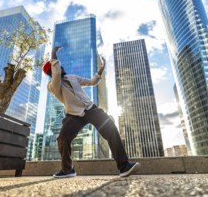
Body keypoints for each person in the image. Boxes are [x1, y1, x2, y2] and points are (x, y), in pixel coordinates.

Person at [43, 46, 140, 178]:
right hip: (73, 115)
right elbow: (56, 74)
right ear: (52, 72)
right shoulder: (52, 86)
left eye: (61, 66)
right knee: (63, 138)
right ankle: (68, 170)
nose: (61, 68)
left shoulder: (72, 77)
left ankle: (124, 166)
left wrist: (100, 71)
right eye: (57, 67)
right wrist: (53, 53)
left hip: (91, 109)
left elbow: (92, 82)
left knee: (110, 127)